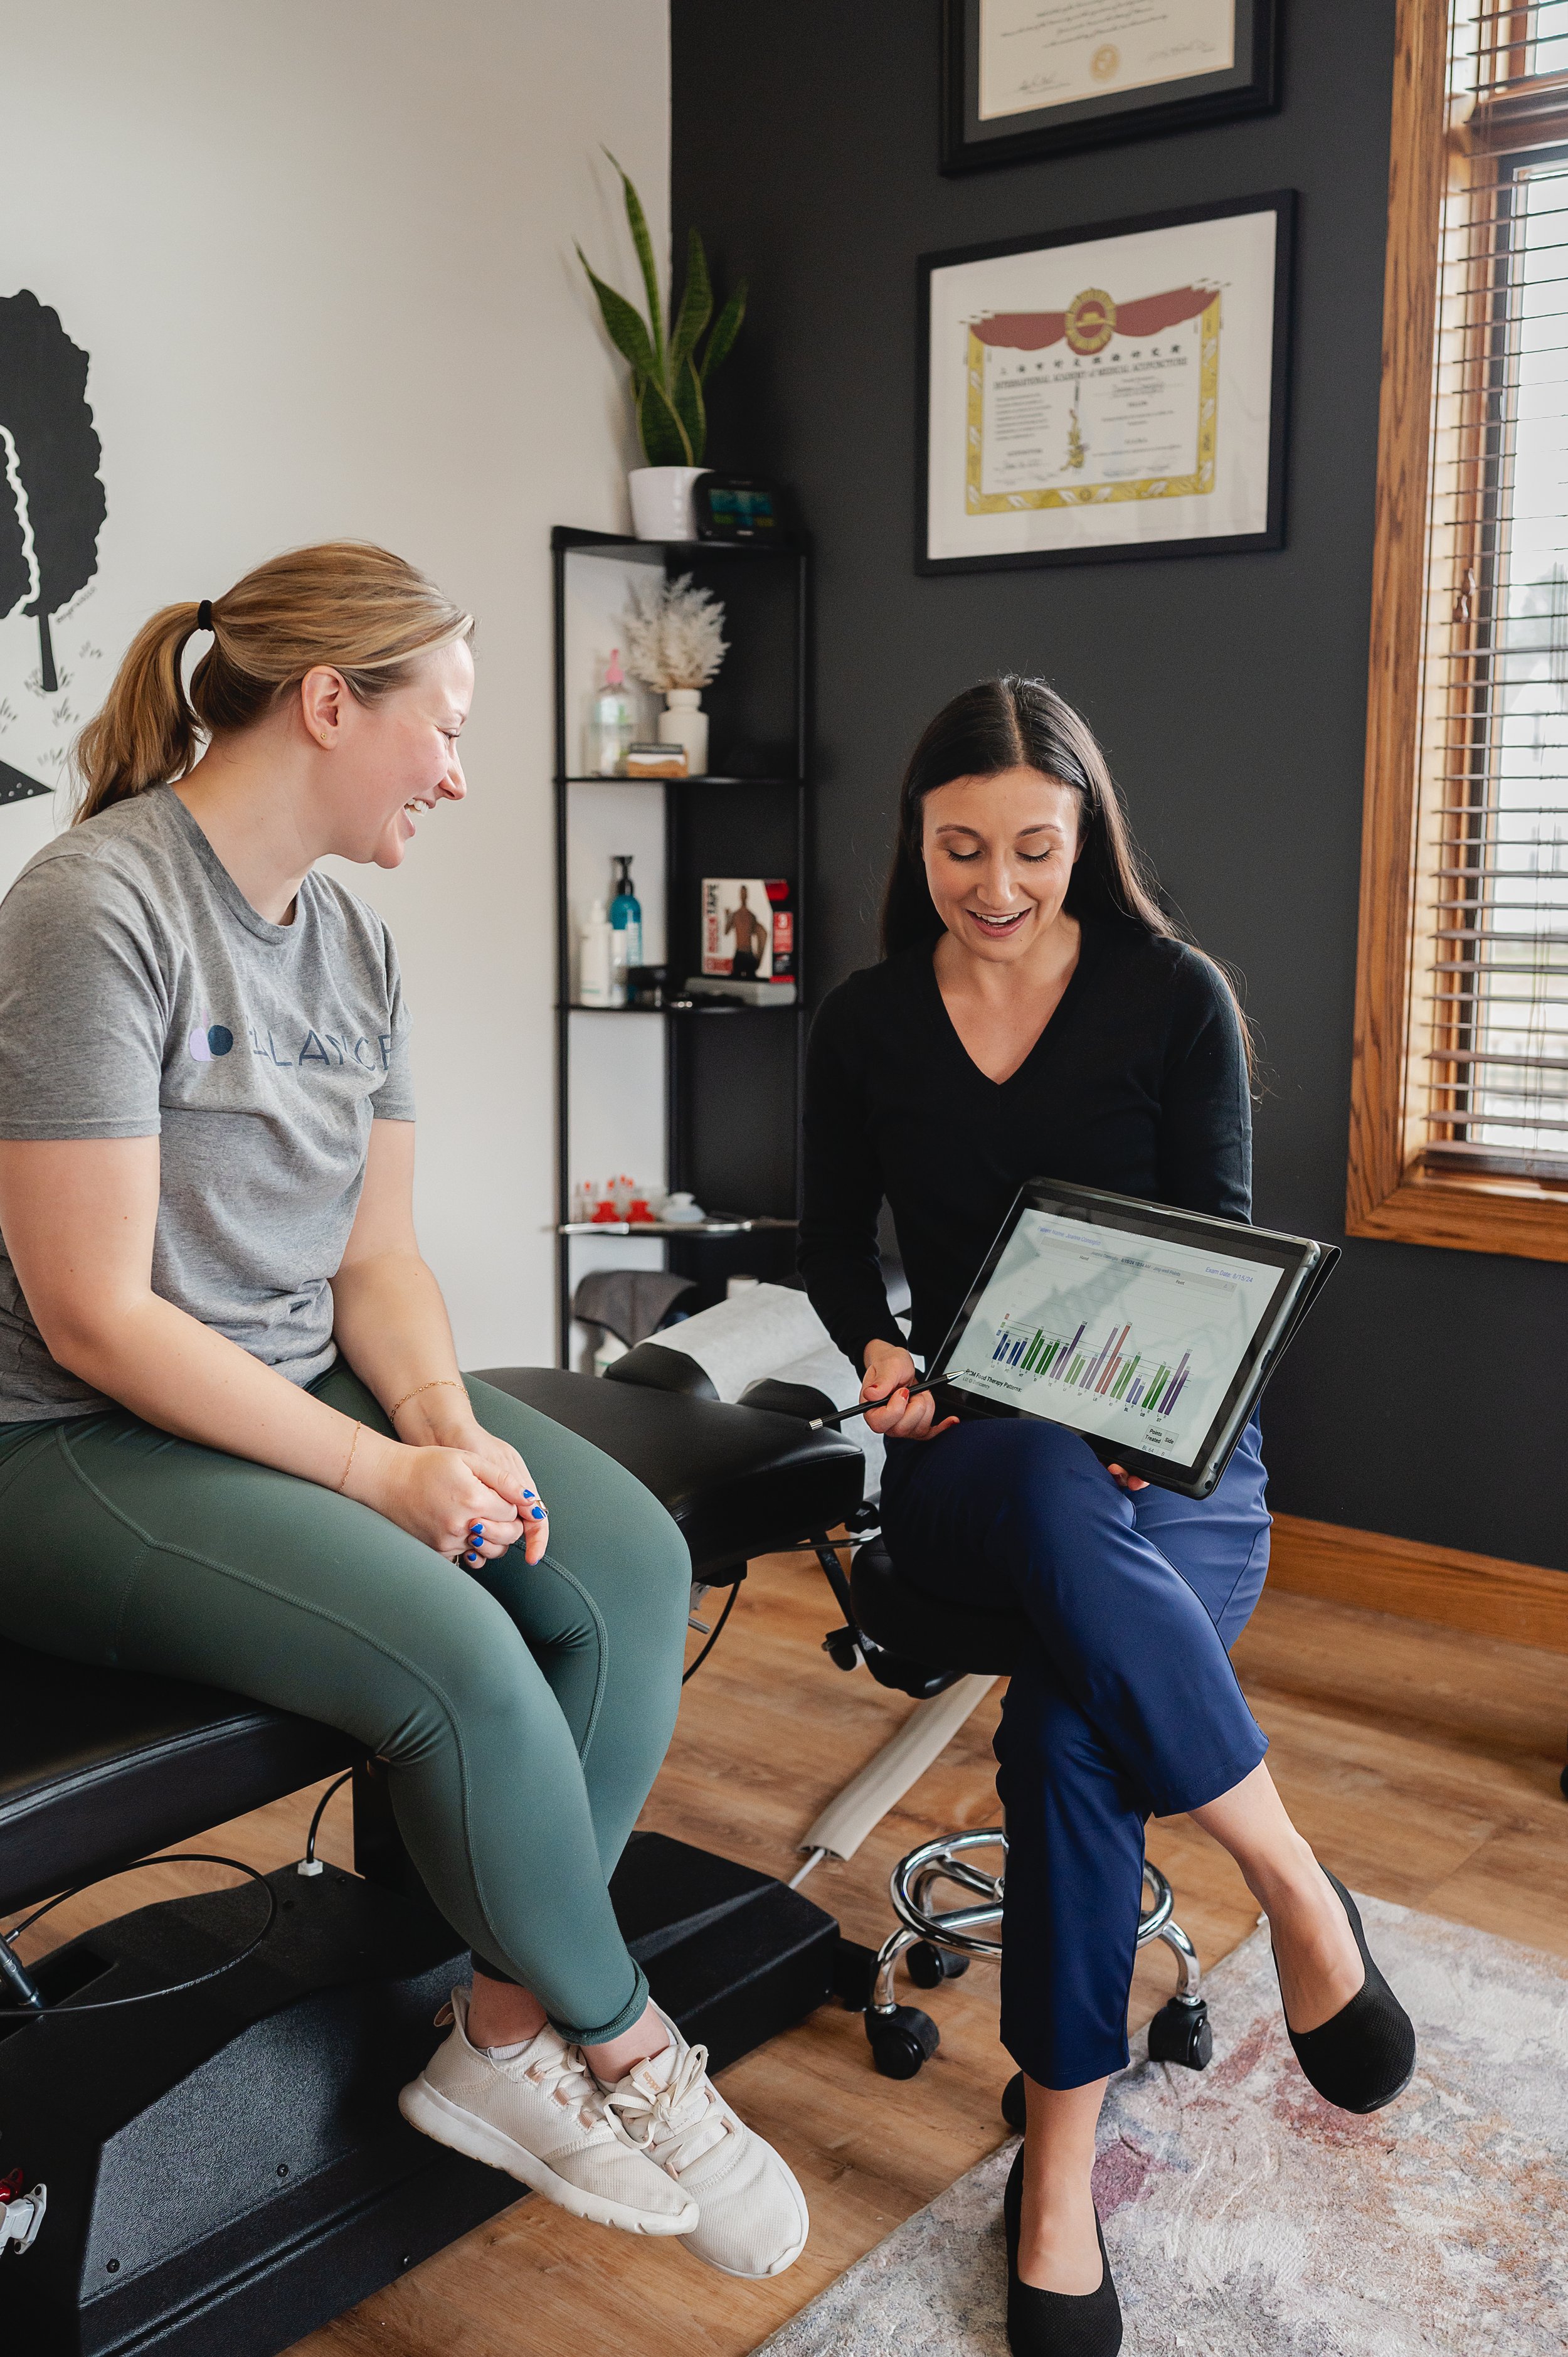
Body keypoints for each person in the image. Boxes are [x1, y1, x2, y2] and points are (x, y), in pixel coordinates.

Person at [0, 544, 807, 2283]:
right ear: (325, 705)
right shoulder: (95, 909)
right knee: (462, 1653)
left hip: (292, 1379)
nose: (454, 771)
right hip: (67, 1441)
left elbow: (376, 1258)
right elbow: (93, 1311)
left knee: (621, 1576)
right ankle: (630, 2051)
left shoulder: (351, 936)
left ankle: (496, 2038)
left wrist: (447, 1416)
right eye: (438, 729)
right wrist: (379, 1471)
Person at [798, 678, 1414, 2356]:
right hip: (971, 1456)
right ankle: (1291, 1885)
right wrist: (875, 1346)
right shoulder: (864, 1019)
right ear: (914, 840)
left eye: (1033, 848)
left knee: (1070, 1726)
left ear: (1085, 839)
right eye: (958, 849)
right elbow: (832, 1241)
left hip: (1168, 1457)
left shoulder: (1172, 996)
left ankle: (1055, 2170)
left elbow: (1213, 1242)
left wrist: (1153, 1413)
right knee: (1045, 1500)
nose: (995, 882)